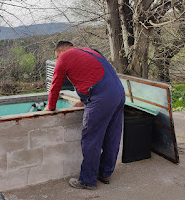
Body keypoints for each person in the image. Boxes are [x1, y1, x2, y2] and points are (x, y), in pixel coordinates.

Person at [44, 41, 125, 190]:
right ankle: (105, 173)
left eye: (57, 57)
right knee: (112, 136)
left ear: (61, 50)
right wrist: (86, 100)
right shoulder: (90, 51)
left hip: (102, 97)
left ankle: (88, 180)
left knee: (91, 139)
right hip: (119, 92)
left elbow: (55, 85)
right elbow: (93, 77)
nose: (57, 61)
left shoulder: (64, 57)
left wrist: (50, 107)